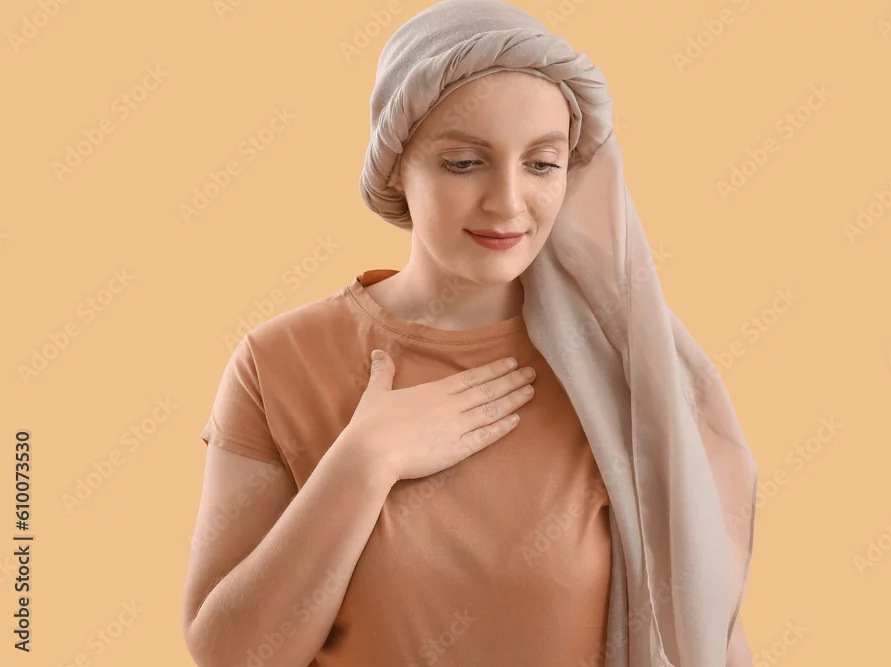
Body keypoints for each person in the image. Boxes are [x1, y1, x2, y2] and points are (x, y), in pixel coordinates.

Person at [182, 2, 758, 666]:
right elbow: (232, 654)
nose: (508, 201)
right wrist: (363, 463)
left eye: (542, 163)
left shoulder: (631, 370)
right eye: (463, 162)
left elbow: (704, 631)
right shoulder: (279, 363)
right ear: (397, 165)